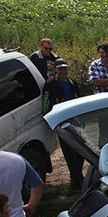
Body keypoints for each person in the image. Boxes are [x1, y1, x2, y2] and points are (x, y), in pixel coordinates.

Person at [42, 59, 84, 189]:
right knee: (69, 152)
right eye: (60, 69)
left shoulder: (72, 83)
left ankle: (77, 176)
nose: (63, 71)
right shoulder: (50, 85)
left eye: (65, 69)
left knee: (81, 150)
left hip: (75, 120)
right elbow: (46, 103)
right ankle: (78, 180)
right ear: (55, 70)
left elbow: (79, 100)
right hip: (61, 121)